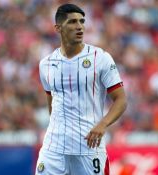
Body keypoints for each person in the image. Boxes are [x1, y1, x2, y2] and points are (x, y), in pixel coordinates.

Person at [35, 3, 127, 175]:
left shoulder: (101, 58)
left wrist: (103, 124)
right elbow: (51, 102)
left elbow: (121, 100)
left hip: (89, 148)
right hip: (53, 149)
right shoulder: (46, 64)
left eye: (82, 21)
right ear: (58, 28)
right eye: (72, 22)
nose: (79, 26)